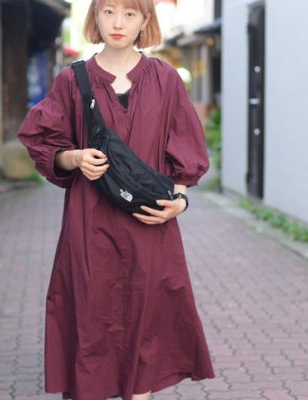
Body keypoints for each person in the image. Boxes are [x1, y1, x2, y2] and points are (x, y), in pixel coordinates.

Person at [17, 0, 215, 399]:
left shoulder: (165, 79)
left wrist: (180, 202)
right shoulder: (72, 81)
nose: (118, 22)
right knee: (91, 321)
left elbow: (186, 147)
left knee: (148, 324)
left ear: (144, 20)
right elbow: (43, 141)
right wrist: (75, 157)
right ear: (95, 17)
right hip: (90, 223)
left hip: (150, 223)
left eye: (129, 13)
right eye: (108, 11)